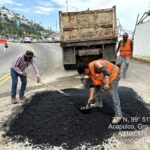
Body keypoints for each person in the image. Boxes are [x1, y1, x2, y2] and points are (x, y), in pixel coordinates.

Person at [77, 59, 122, 124]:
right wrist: (91, 97)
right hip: (107, 76)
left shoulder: (96, 64)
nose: (85, 75)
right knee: (97, 86)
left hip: (114, 74)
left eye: (84, 73)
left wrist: (106, 84)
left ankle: (118, 115)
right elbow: (92, 85)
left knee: (113, 94)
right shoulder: (90, 72)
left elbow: (106, 72)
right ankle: (98, 103)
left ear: (86, 69)